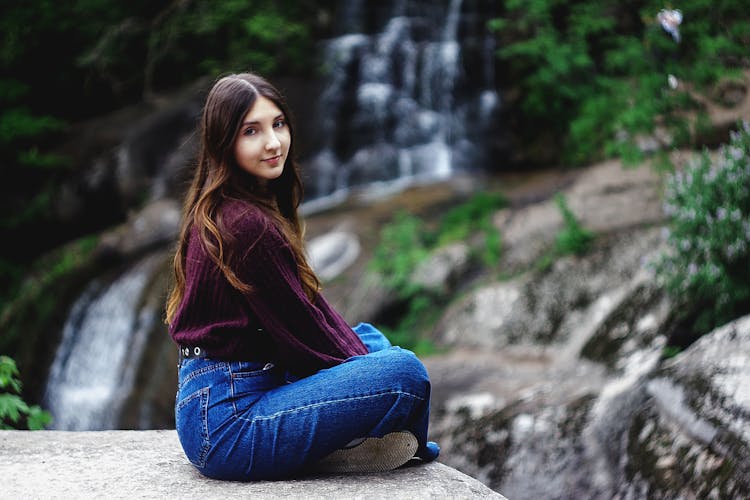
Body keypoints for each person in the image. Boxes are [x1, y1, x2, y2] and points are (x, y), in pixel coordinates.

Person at [165, 72, 439, 481]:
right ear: (225, 142)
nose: (273, 142)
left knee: (369, 338)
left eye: (278, 124)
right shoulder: (245, 224)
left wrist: (363, 359)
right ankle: (388, 441)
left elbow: (310, 318)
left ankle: (352, 437)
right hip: (228, 428)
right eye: (251, 132)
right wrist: (382, 382)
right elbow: (307, 331)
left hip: (221, 392)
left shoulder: (222, 204)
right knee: (405, 373)